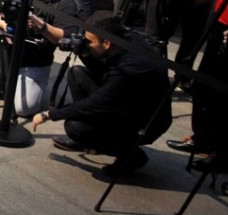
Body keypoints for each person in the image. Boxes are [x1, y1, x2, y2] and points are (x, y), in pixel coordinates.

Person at [31, 15, 172, 177]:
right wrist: (84, 51)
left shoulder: (130, 68)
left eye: (89, 41)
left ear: (107, 43)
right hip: (127, 102)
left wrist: (49, 114)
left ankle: (131, 156)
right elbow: (103, 73)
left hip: (145, 123)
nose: (86, 43)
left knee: (76, 128)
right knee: (77, 75)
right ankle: (94, 137)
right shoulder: (123, 39)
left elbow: (96, 103)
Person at [166, 0, 228, 170]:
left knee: (221, 90)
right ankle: (204, 140)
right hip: (222, 16)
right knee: (205, 85)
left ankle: (220, 154)